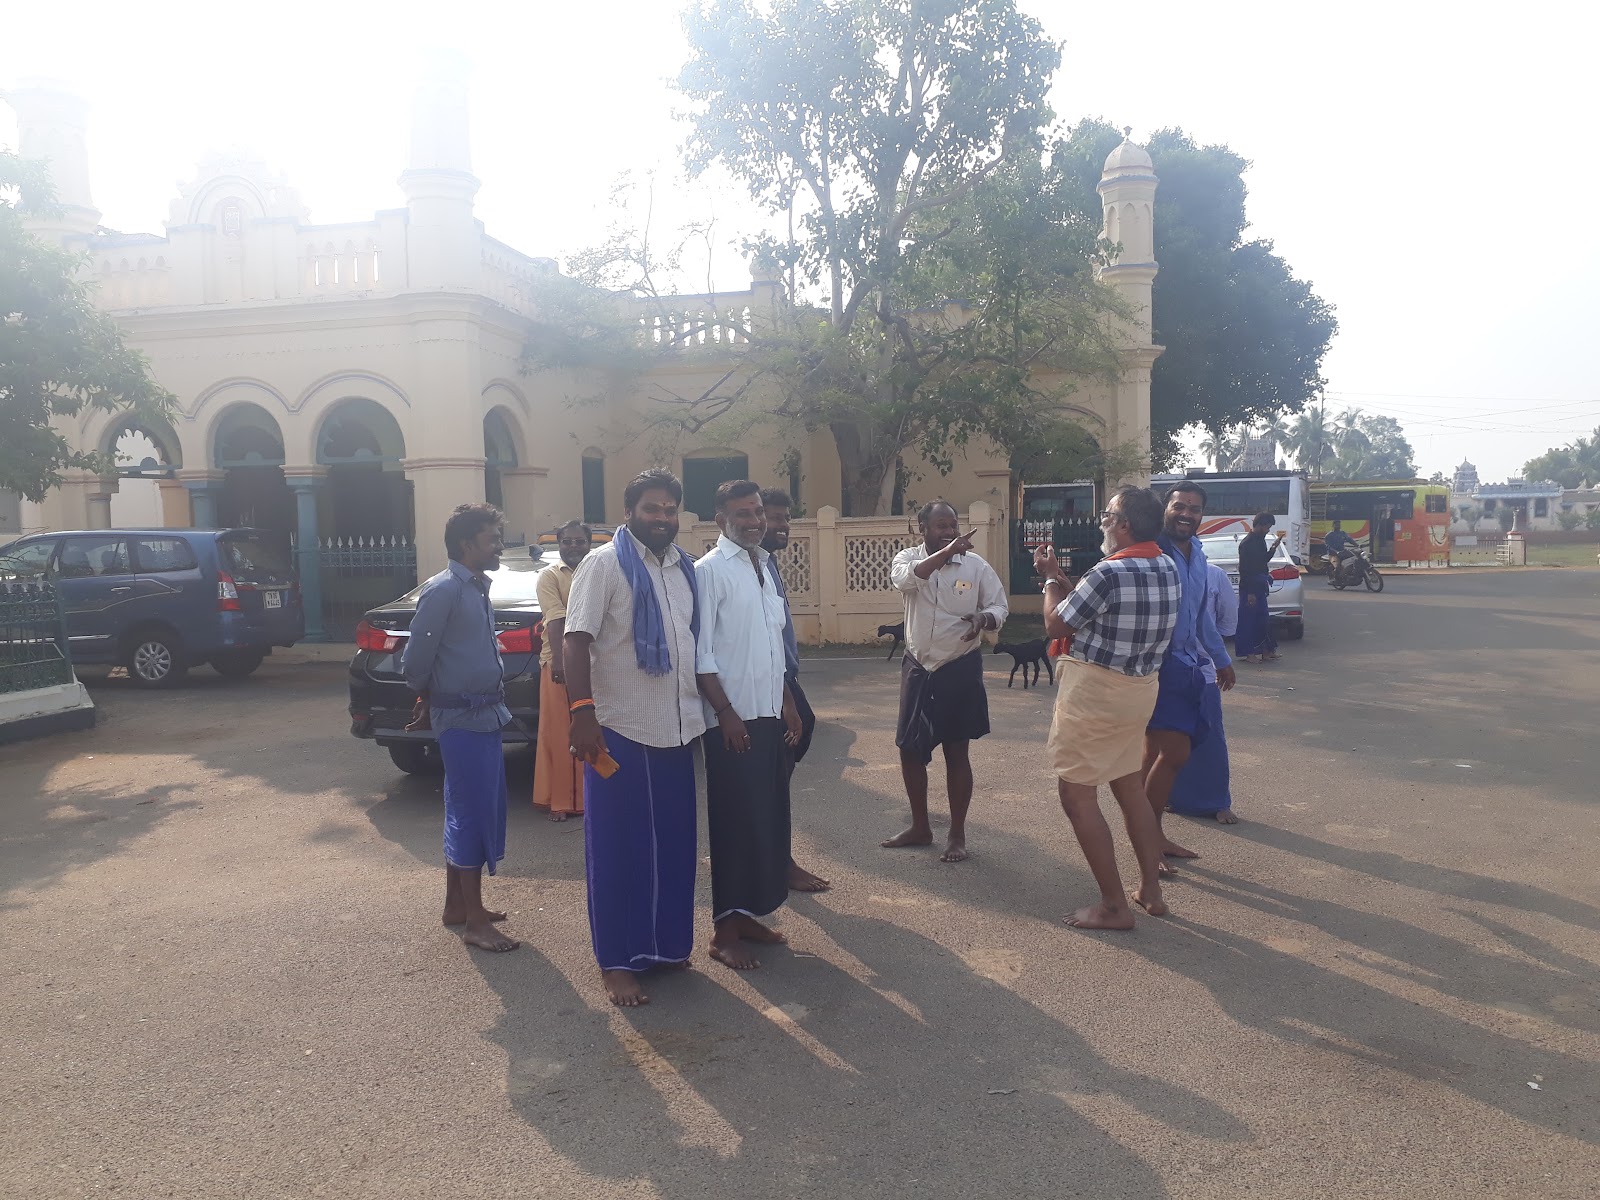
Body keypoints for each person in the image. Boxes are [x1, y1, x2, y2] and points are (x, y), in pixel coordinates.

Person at [563, 470, 704, 1007]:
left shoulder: (682, 568)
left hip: (675, 726)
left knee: (672, 844)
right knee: (618, 847)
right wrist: (582, 713)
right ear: (629, 511)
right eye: (652, 508)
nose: (662, 517)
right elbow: (576, 642)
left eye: (670, 509)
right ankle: (617, 961)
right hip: (619, 726)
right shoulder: (602, 565)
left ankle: (665, 947)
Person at [1036, 486, 1180, 930]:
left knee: (1076, 793)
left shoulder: (1108, 572)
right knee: (1128, 786)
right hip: (1138, 692)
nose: (1103, 521)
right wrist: (1063, 576)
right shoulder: (1166, 566)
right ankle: (1149, 890)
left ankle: (1114, 906)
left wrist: (1046, 581)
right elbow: (1099, 604)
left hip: (1095, 694)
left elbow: (1057, 622)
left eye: (1109, 515)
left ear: (1124, 526)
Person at [695, 480, 805, 970]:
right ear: (721, 520)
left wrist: (787, 702)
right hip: (731, 721)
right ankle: (723, 931)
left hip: (767, 712)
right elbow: (700, 656)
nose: (756, 520)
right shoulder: (708, 572)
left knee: (766, 817)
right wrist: (725, 713)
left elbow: (771, 644)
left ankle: (747, 915)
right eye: (743, 513)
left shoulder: (763, 566)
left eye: (758, 511)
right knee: (734, 824)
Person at [401, 503, 519, 954]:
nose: (499, 545)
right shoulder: (445, 590)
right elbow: (416, 662)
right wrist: (427, 697)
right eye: (492, 538)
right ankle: (474, 921)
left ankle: (458, 905)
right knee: (470, 815)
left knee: (471, 809)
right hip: (462, 720)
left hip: (487, 716)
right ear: (467, 544)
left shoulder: (476, 588)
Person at [884, 500, 1009, 863]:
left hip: (959, 666)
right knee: (909, 749)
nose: (949, 532)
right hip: (919, 666)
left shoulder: (976, 566)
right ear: (921, 528)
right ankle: (920, 827)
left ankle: (957, 834)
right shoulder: (907, 558)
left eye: (952, 525)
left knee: (957, 750)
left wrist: (983, 619)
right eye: (940, 526)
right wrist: (946, 554)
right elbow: (908, 580)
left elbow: (1000, 607)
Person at [1144, 482, 1236, 871]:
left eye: (1194, 509)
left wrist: (1220, 659)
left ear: (1203, 515)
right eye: (1179, 506)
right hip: (1150, 666)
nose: (1186, 514)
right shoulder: (1149, 551)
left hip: (1183, 666)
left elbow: (1200, 617)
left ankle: (1153, 837)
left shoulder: (1197, 554)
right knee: (1172, 753)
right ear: (1165, 508)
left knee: (1154, 754)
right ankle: (1147, 846)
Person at [759, 487, 831, 894]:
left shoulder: (767, 563)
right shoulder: (747, 565)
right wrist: (785, 690)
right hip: (770, 682)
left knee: (778, 774)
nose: (783, 525)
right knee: (772, 779)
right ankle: (777, 862)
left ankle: (773, 857)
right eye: (774, 517)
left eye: (786, 518)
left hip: (783, 677)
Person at [1168, 558, 1238, 824]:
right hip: (1163, 671)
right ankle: (1171, 796)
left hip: (1204, 670)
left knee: (1209, 735)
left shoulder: (1213, 575)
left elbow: (1227, 622)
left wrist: (1216, 655)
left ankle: (1218, 801)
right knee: (1169, 737)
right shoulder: (1158, 571)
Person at [532, 520, 592, 821]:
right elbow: (555, 619)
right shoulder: (549, 576)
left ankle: (589, 800)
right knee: (558, 733)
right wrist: (559, 659)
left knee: (592, 728)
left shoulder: (598, 571)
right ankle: (560, 802)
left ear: (588, 543)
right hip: (558, 661)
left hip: (595, 663)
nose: (573, 546)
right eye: (567, 541)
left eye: (579, 541)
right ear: (559, 544)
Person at [1235, 511, 1282, 664]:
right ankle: (1249, 653)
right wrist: (1250, 593)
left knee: (1263, 620)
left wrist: (1273, 548)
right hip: (1250, 588)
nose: (1268, 531)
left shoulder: (1260, 540)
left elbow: (1263, 561)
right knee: (1249, 622)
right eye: (1267, 527)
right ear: (1260, 525)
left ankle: (1267, 651)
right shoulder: (1247, 544)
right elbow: (1245, 570)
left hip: (1260, 585)